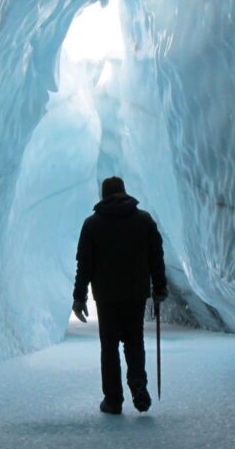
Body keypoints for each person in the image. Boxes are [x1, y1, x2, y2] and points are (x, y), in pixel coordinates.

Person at [72, 176, 168, 415]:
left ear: (104, 196)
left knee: (110, 347)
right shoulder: (143, 221)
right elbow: (156, 257)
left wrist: (79, 297)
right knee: (135, 342)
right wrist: (159, 287)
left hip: (106, 296)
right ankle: (138, 386)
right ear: (124, 192)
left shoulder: (92, 224)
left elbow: (84, 264)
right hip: (135, 294)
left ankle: (113, 399)